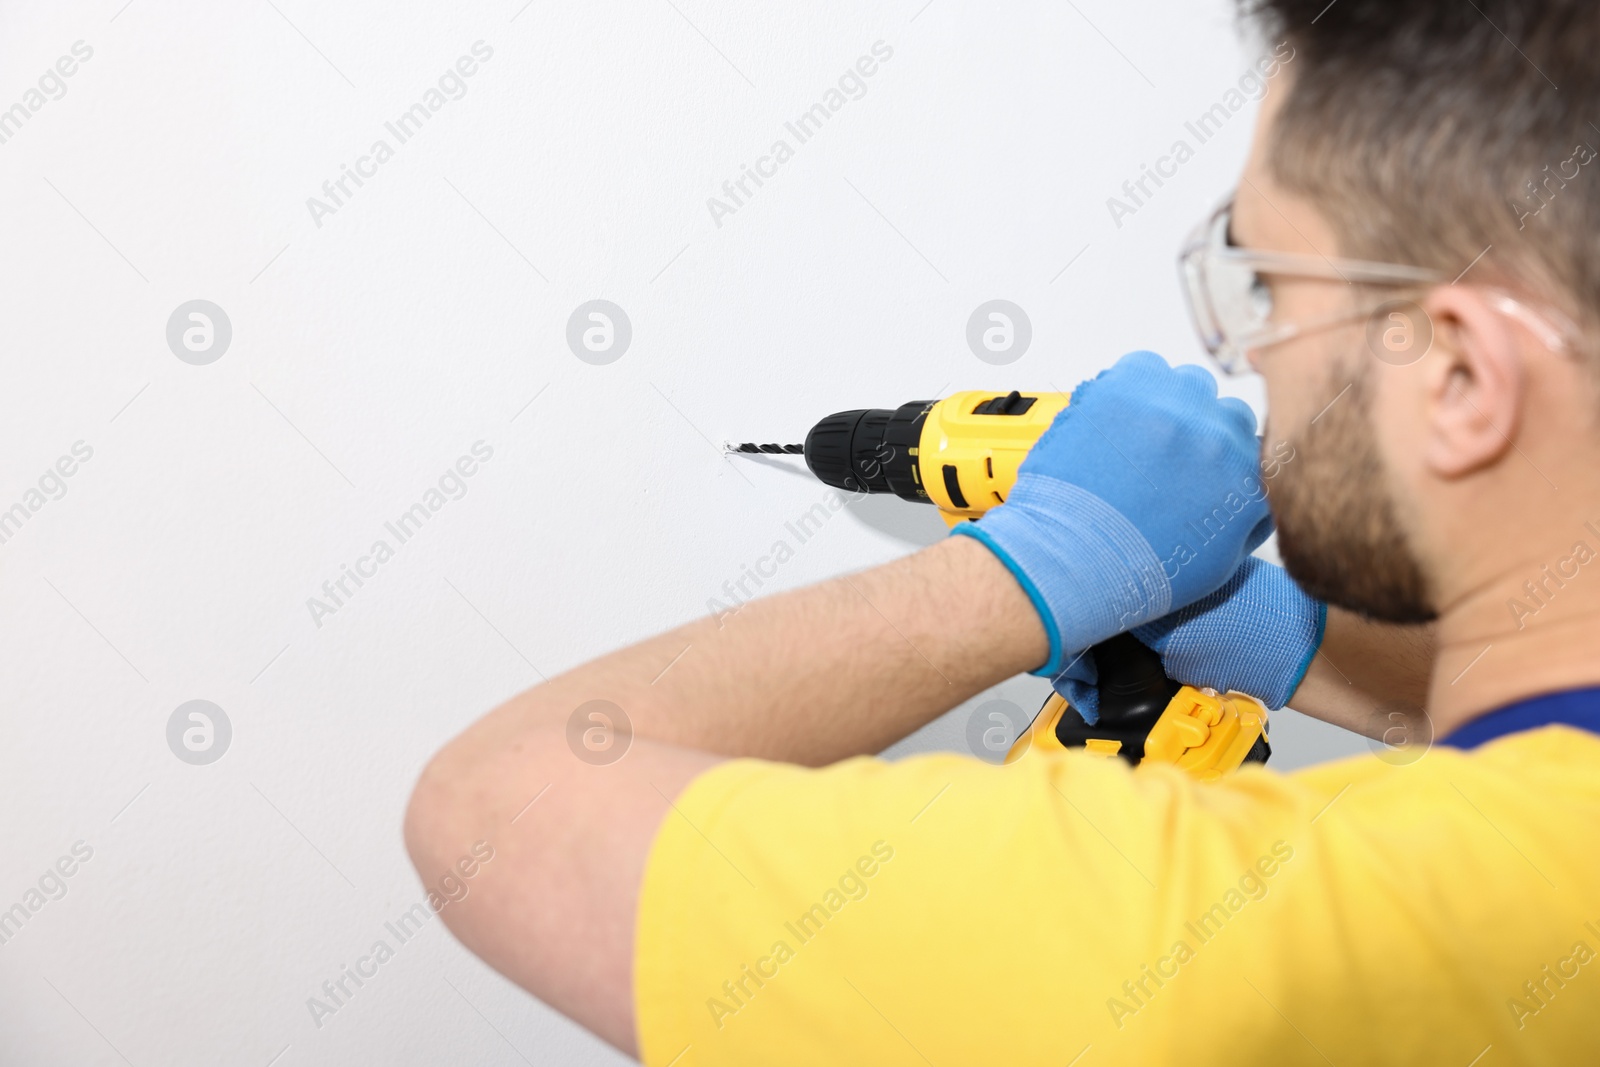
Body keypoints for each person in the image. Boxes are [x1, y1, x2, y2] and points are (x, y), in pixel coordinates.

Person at [404, 1, 1600, 1062]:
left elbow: (493, 807)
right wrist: (1289, 636)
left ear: (1454, 374)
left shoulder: (1226, 942)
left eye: (1272, 288)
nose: (1242, 352)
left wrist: (1037, 566)